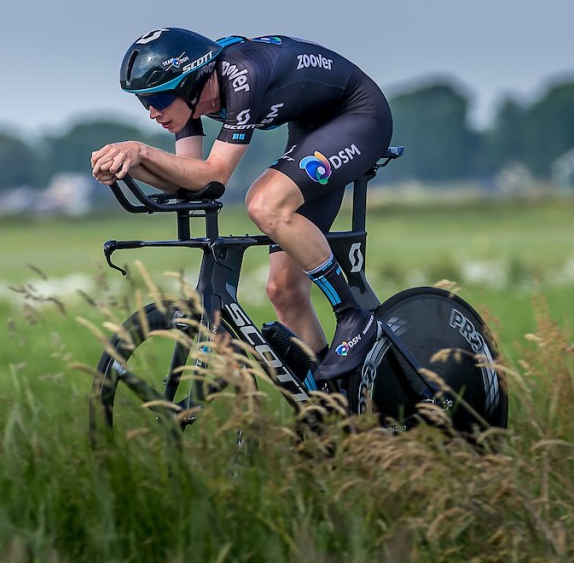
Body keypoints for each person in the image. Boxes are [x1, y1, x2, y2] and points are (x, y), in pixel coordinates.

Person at [90, 28, 393, 380]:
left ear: (190, 84)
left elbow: (214, 176)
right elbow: (190, 184)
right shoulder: (193, 100)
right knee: (284, 291)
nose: (151, 113)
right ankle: (333, 405)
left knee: (265, 204)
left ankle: (353, 316)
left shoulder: (241, 76)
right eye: (144, 102)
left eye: (157, 99)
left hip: (357, 115)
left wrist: (140, 150)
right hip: (312, 129)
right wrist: (130, 167)